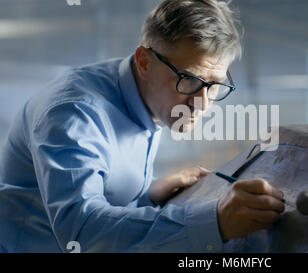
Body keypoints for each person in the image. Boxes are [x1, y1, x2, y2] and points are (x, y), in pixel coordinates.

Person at [0, 0, 284, 252]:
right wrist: (215, 222)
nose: (203, 103)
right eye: (189, 79)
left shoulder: (143, 95)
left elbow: (96, 193)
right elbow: (80, 232)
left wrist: (146, 194)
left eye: (215, 85)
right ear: (144, 61)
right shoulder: (76, 114)